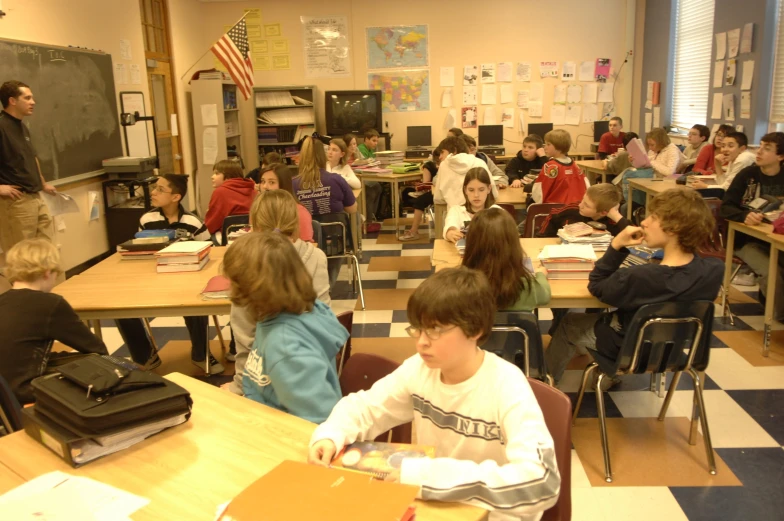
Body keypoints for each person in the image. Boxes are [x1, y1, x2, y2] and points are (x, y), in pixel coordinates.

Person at [308, 266, 560, 519]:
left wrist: (426, 477)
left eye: (435, 330)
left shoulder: (507, 385)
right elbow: (367, 408)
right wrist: (331, 435)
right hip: (438, 504)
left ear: (475, 330)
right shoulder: (420, 369)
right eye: (417, 328)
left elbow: (542, 483)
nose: (421, 342)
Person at [545, 188, 723, 385]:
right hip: (674, 349)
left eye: (653, 217)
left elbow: (596, 286)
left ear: (674, 228)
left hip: (629, 349)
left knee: (570, 323)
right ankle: (604, 375)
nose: (644, 222)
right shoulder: (714, 270)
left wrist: (616, 246)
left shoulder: (640, 276)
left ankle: (546, 384)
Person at [223, 231, 346, 423]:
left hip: (279, 437)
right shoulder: (286, 314)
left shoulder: (285, 346)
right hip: (262, 416)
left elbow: (320, 421)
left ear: (254, 289)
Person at [228, 190, 333, 397]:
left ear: (254, 226)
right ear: (295, 222)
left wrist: (238, 389)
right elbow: (323, 324)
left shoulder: (244, 262)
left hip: (259, 383)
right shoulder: (316, 256)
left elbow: (246, 342)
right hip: (311, 379)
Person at [115, 174, 223, 374]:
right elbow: (140, 251)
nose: (153, 193)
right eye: (154, 188)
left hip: (186, 281)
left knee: (195, 302)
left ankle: (201, 354)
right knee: (118, 307)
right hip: (153, 280)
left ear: (176, 197)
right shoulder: (147, 220)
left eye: (160, 189)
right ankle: (145, 356)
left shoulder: (193, 222)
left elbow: (212, 252)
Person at [0, 238, 108, 405]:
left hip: (4, 395)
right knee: (103, 369)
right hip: (24, 393)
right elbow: (97, 350)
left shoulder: (3, 300)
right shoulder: (51, 304)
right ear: (47, 272)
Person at [720, 132, 784, 321]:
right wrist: (744, 215)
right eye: (760, 146)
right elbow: (726, 207)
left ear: (780, 157)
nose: (760, 151)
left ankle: (771, 304)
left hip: (775, 236)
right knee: (771, 272)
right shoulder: (747, 175)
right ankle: (778, 318)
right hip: (746, 239)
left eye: (767, 148)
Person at [0, 81, 57, 255]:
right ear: (12, 101)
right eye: (27, 98)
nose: (33, 102)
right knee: (22, 254)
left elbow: (31, 157)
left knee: (45, 249)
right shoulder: (1, 126)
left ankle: (44, 283)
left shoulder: (22, 126)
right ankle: (23, 284)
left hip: (35, 196)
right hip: (15, 202)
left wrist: (42, 182)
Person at [463, 208, 550, 310]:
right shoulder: (529, 287)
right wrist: (540, 275)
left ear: (471, 244)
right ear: (514, 244)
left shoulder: (461, 288)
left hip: (479, 326)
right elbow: (546, 295)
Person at [292, 137, 357, 217]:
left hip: (307, 228)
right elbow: (352, 209)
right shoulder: (337, 179)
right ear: (323, 156)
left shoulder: (292, 184)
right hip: (334, 228)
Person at [538, 183, 629, 238]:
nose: (580, 205)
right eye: (583, 200)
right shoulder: (572, 209)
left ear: (603, 212)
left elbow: (635, 236)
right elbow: (551, 216)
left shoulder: (614, 222)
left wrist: (616, 216)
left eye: (587, 205)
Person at [433, 136, 496, 209]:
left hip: (455, 215)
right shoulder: (480, 162)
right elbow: (493, 193)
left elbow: (438, 199)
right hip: (481, 214)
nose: (440, 157)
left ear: (454, 151)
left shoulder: (444, 165)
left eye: (442, 152)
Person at [257, 163, 313, 242]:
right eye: (263, 181)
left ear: (283, 185)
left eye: (271, 182)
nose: (265, 186)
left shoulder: (299, 212)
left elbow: (306, 245)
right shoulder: (258, 209)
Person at [532, 129, 589, 204]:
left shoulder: (550, 167)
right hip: (576, 208)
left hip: (554, 210)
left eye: (548, 144)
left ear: (558, 146)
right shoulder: (575, 166)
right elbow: (587, 187)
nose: (545, 147)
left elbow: (539, 192)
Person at [443, 168, 500, 242]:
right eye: (471, 190)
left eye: (481, 190)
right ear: (465, 190)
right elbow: (450, 225)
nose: (476, 195)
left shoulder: (497, 211)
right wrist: (450, 232)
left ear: (489, 189)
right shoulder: (456, 211)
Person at [204, 159, 254, 240]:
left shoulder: (220, 192)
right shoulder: (254, 191)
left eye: (216, 173)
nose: (212, 176)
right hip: (253, 235)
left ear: (228, 176)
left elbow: (211, 224)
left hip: (228, 237)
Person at [399, 146, 443, 241]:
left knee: (419, 202)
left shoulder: (447, 165)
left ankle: (414, 231)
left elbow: (436, 181)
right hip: (439, 190)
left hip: (442, 193)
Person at [691, 131, 755, 191]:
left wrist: (705, 186)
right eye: (723, 146)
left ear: (742, 149)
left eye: (730, 146)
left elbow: (727, 188)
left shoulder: (743, 159)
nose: (725, 149)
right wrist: (717, 164)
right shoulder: (733, 158)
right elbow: (723, 183)